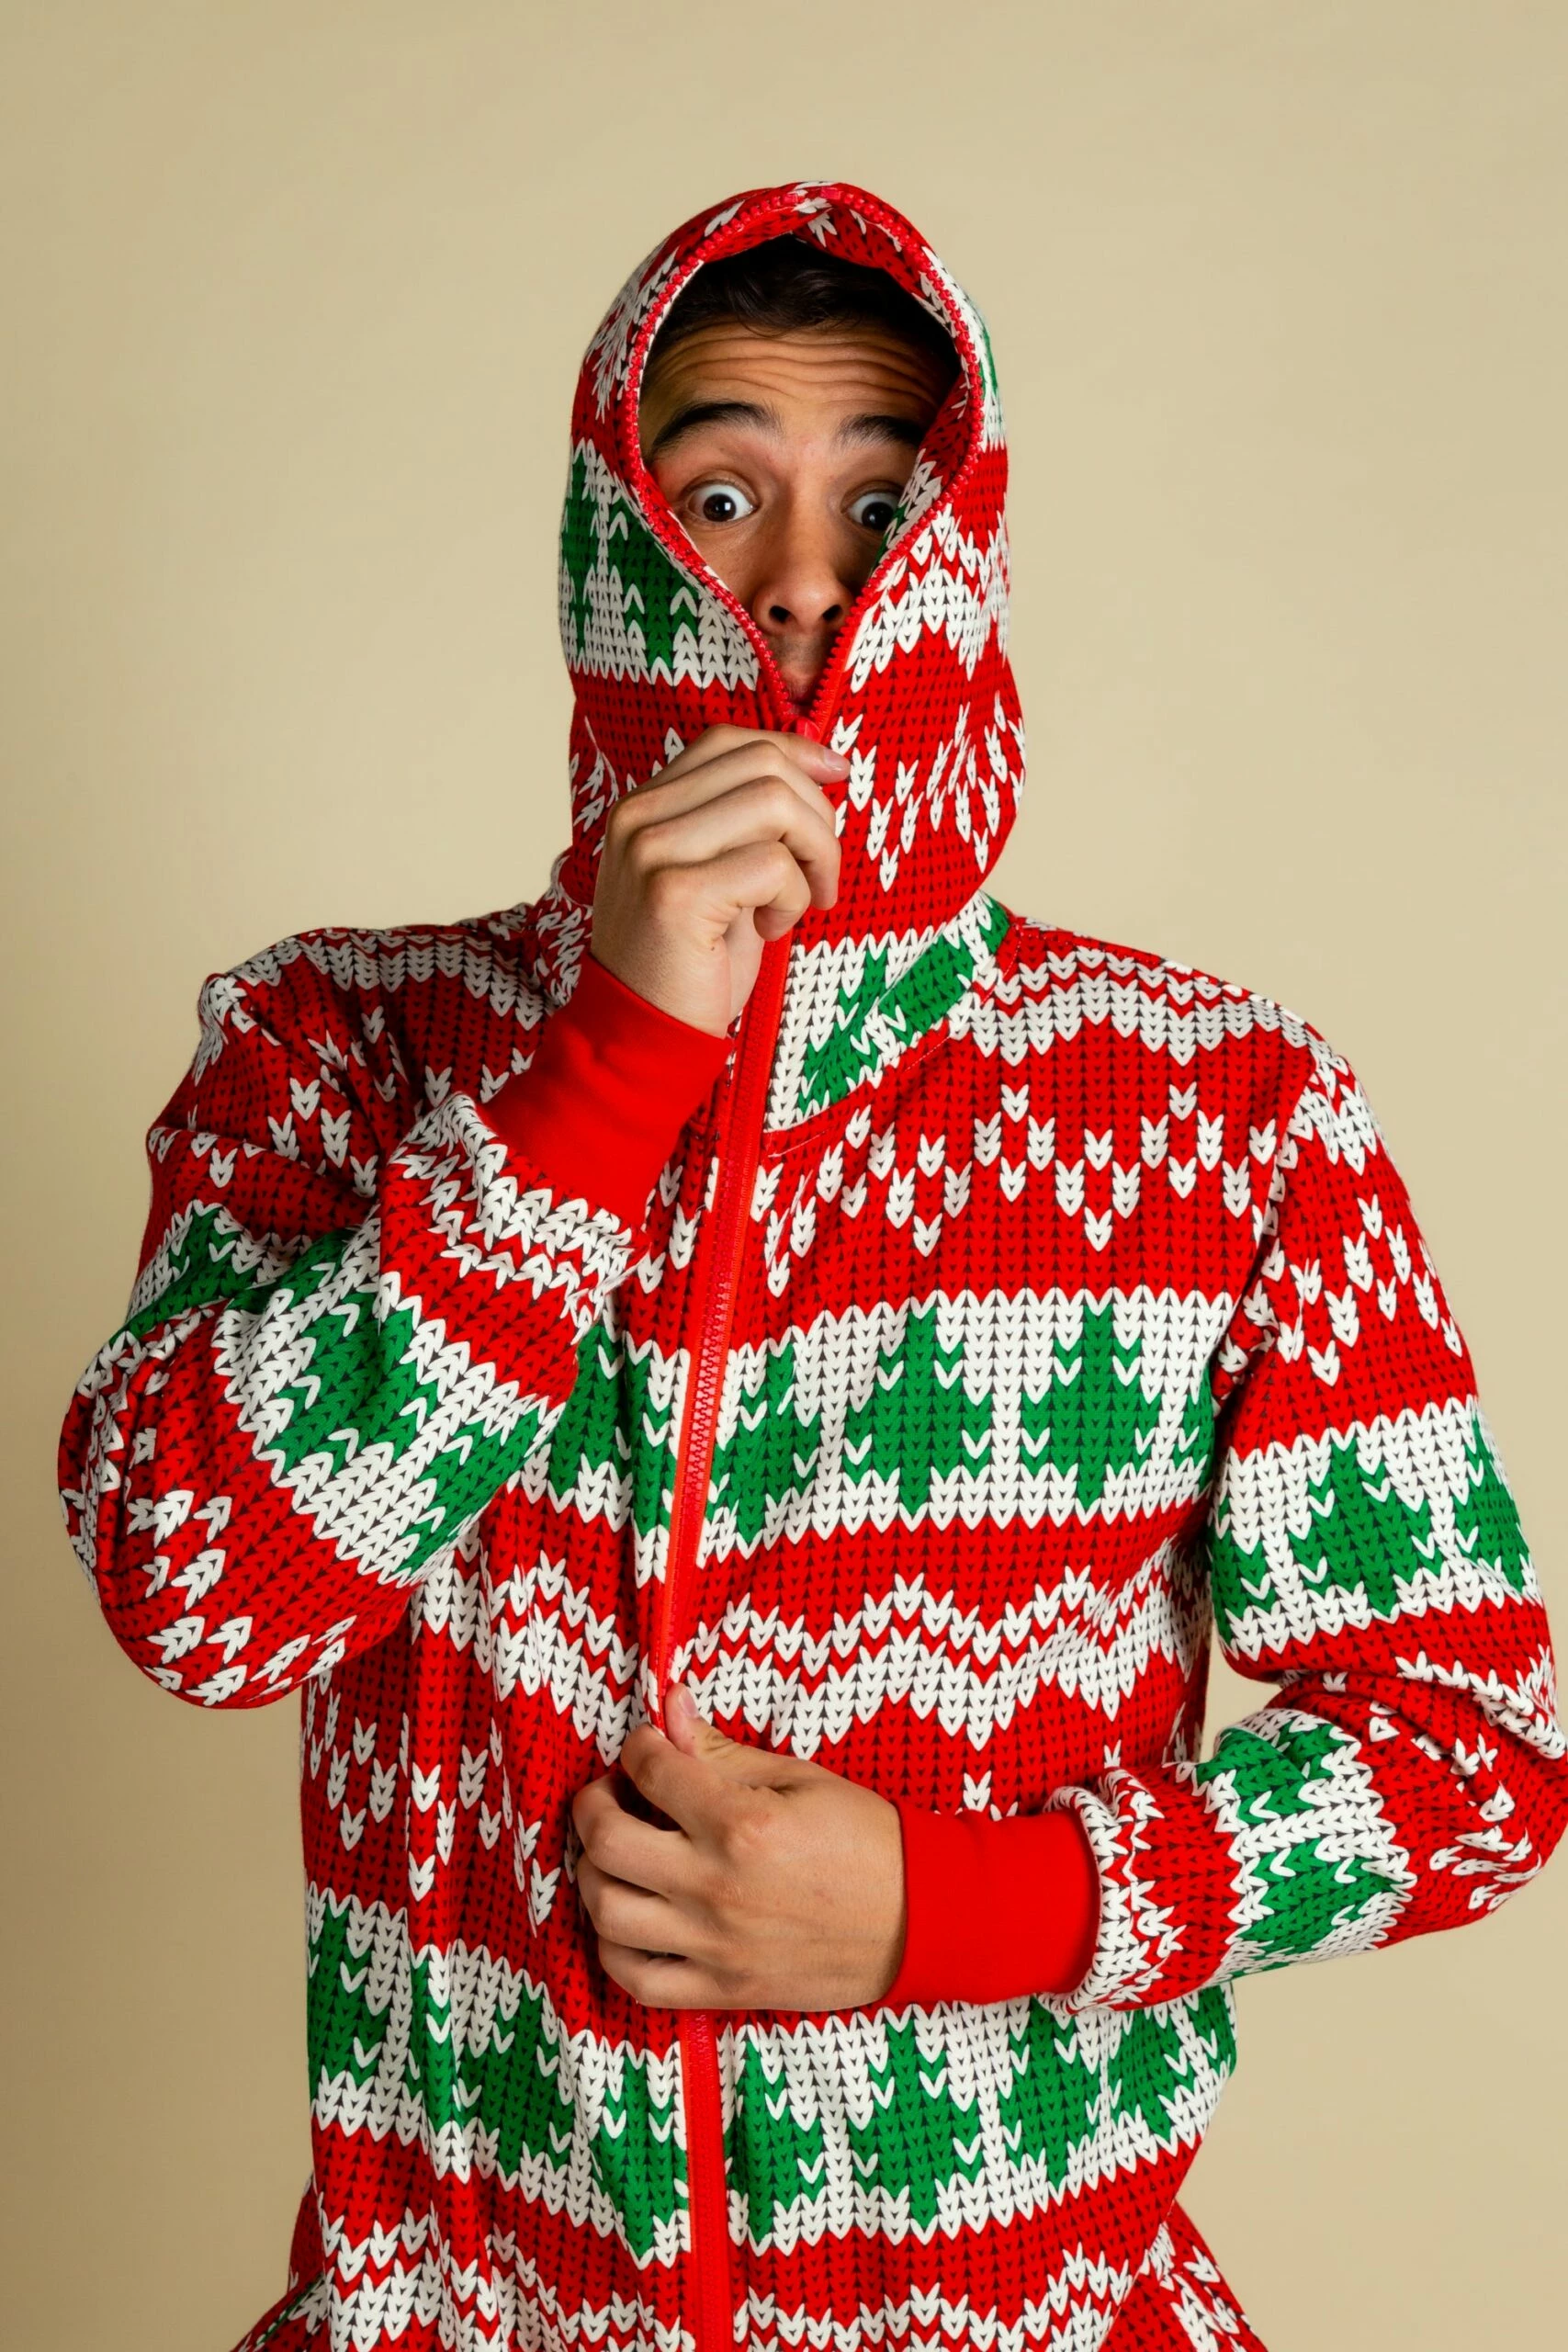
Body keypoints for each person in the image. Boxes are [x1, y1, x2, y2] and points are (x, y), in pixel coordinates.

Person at [57, 179, 1568, 2352]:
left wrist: (963, 1900)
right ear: (612, 549)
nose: (796, 577)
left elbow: (1471, 1758)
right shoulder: (339, 1046)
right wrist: (605, 1065)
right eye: (718, 493)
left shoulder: (1221, 1103)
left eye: (879, 503)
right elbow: (196, 1592)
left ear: (963, 552)